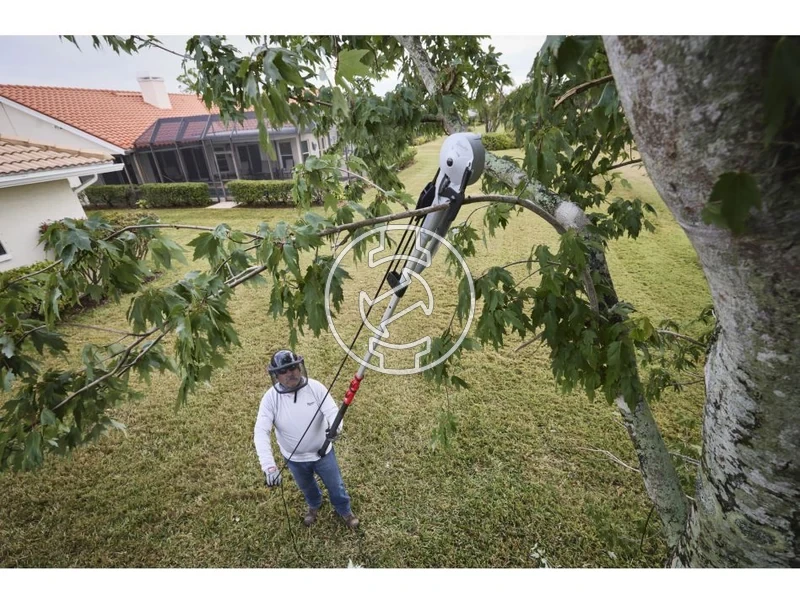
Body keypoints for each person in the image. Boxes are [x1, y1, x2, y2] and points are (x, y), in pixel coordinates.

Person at [254, 349, 359, 529]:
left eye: (293, 368)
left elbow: (333, 413)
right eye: (283, 371)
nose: (290, 373)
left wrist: (335, 428)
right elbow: (261, 431)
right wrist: (269, 466)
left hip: (323, 455)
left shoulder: (316, 388)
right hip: (294, 460)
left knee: (336, 485)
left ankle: (344, 510)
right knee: (307, 487)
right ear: (276, 376)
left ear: (300, 368)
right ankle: (314, 505)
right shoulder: (270, 399)